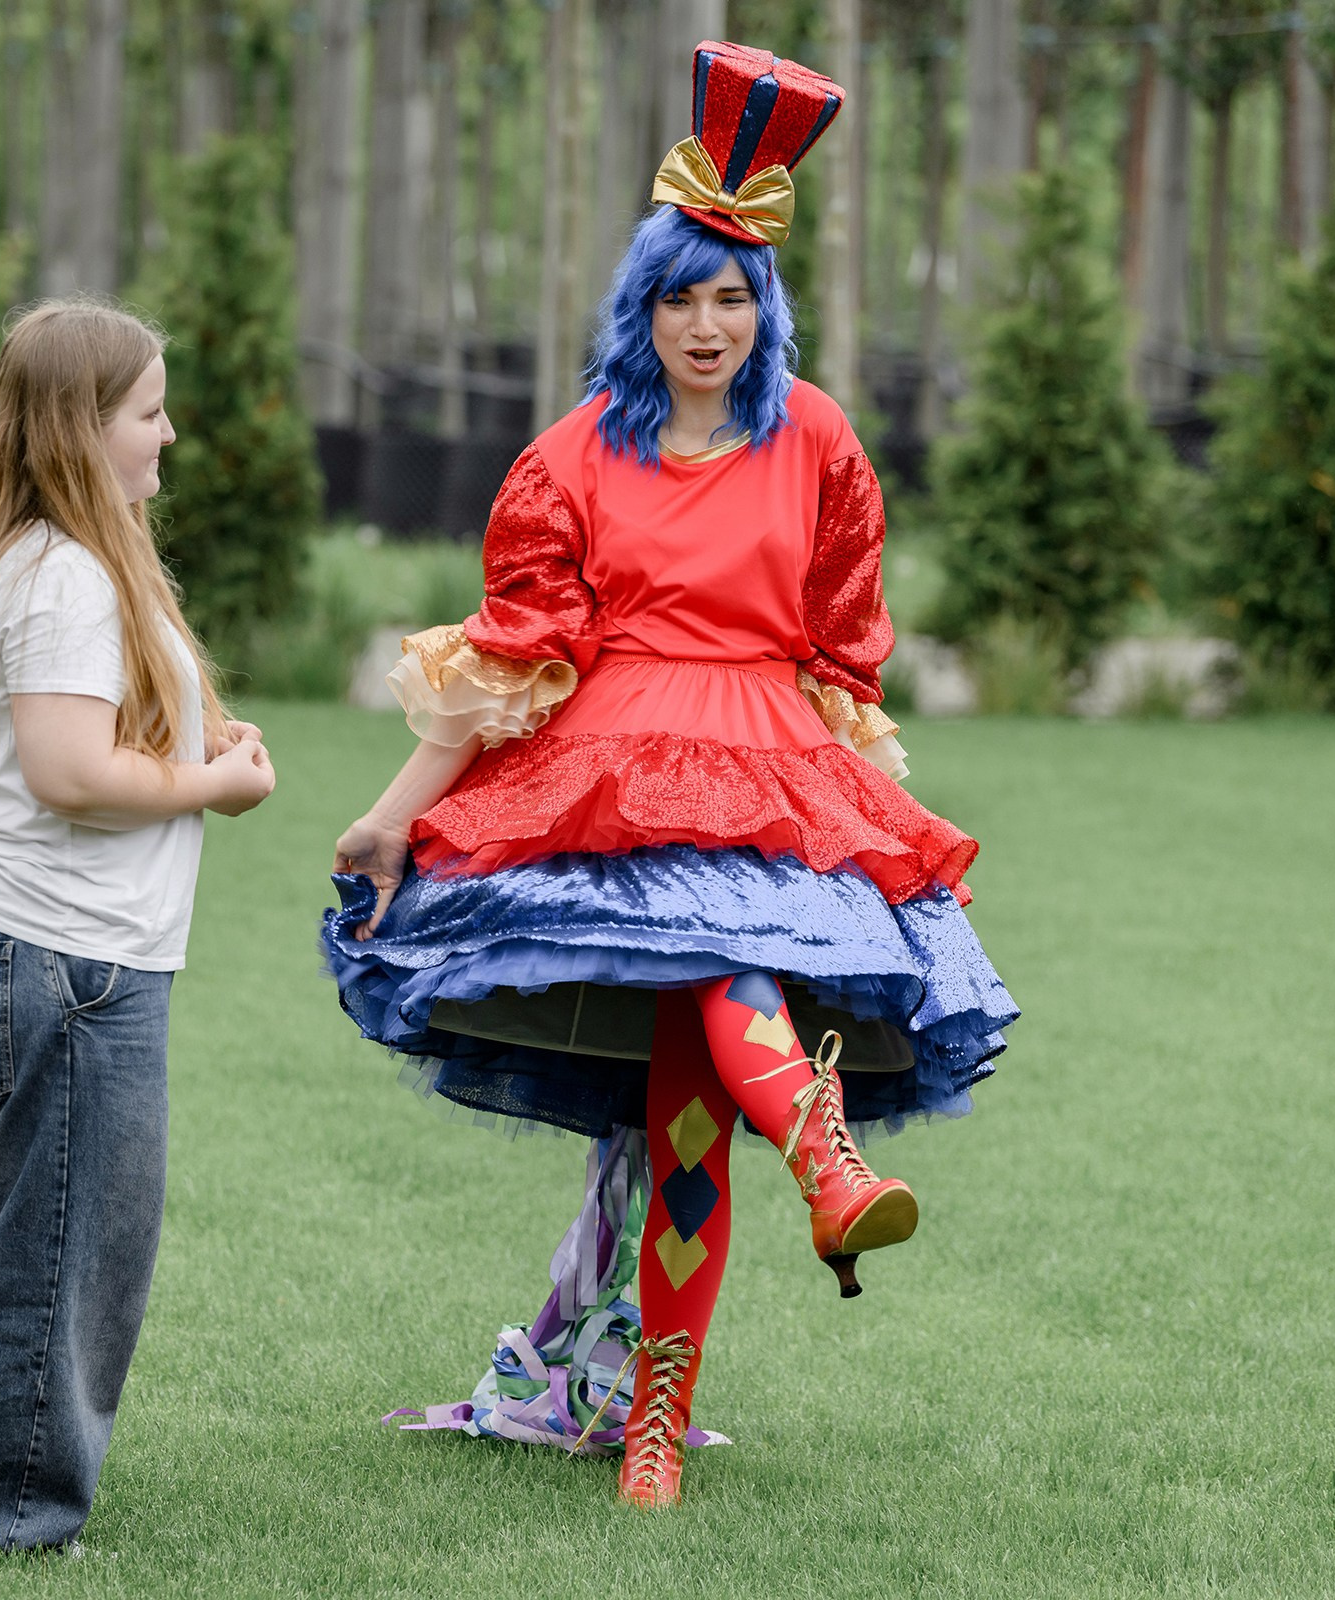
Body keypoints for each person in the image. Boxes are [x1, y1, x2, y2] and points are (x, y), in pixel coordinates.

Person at [325, 40, 1018, 1509]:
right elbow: (510, 659)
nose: (704, 324)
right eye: (678, 296)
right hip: (612, 778)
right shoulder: (573, 457)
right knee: (697, 1043)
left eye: (729, 297)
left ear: (763, 309)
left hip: (765, 763)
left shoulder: (818, 440)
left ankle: (661, 1409)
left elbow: (842, 651)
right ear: (637, 311)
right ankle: (813, 1173)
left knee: (701, 1065)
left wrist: (857, 817)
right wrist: (394, 818)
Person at [0, 299, 277, 1550]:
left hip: (28, 948)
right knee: (54, 1246)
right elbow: (66, 770)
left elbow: (80, 741)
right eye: (149, 413)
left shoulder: (50, 559)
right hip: (56, 959)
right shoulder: (64, 575)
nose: (170, 435)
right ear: (82, 428)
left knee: (6, 1228)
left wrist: (185, 739)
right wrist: (215, 783)